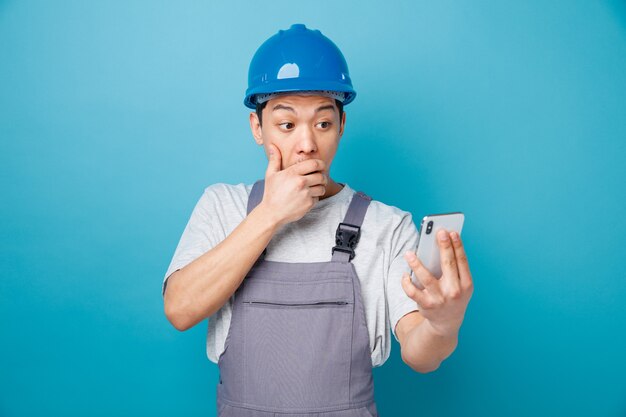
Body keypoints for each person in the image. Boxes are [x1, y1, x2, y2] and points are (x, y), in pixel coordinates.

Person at [162, 23, 474, 417]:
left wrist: (444, 324)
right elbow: (179, 308)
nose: (307, 144)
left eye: (323, 123)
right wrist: (271, 213)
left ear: (342, 126)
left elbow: (419, 354)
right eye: (287, 125)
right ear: (257, 128)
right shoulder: (223, 206)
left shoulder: (386, 226)